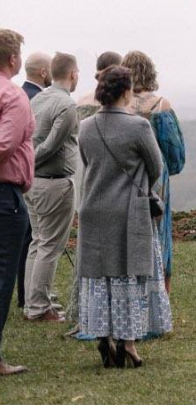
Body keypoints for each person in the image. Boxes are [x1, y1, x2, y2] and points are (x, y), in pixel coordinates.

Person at [78, 65, 171, 368]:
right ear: (127, 91)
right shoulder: (138, 127)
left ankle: (103, 334)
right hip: (129, 209)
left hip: (93, 208)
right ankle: (127, 343)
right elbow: (155, 166)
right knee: (129, 276)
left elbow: (87, 162)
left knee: (100, 276)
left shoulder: (87, 126)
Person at [65, 51, 124, 334]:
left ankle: (84, 312)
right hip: (118, 186)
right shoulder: (124, 108)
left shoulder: (82, 103)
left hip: (88, 177)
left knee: (90, 252)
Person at [122, 50, 185, 293]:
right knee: (158, 232)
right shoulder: (160, 105)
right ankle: (158, 292)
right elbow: (174, 152)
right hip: (156, 179)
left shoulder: (119, 105)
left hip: (124, 178)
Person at [24, 53, 80, 322]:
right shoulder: (67, 105)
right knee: (50, 246)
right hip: (54, 183)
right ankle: (39, 307)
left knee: (38, 242)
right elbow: (51, 144)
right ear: (72, 74)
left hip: (33, 183)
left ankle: (33, 301)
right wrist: (31, 161)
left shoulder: (39, 98)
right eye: (78, 72)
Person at [0, 29, 34, 377]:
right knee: (2, 275)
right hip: (4, 195)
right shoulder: (13, 95)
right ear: (13, 59)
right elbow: (5, 144)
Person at [16, 52, 51, 311]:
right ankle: (28, 295)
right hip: (33, 176)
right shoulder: (36, 99)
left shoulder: (20, 94)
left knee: (30, 237)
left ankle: (26, 293)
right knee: (32, 238)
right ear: (42, 72)